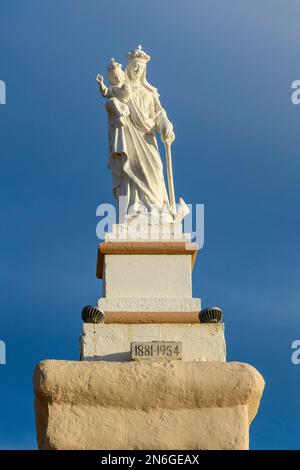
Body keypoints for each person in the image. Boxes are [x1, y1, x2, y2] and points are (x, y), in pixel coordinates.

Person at [104, 45, 175, 221]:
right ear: (128, 66)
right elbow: (111, 102)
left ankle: (158, 207)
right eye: (135, 65)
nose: (137, 69)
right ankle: (134, 208)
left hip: (147, 137)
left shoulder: (150, 93)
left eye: (141, 67)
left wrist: (165, 125)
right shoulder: (121, 88)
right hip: (129, 135)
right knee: (132, 167)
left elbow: (159, 113)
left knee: (155, 170)